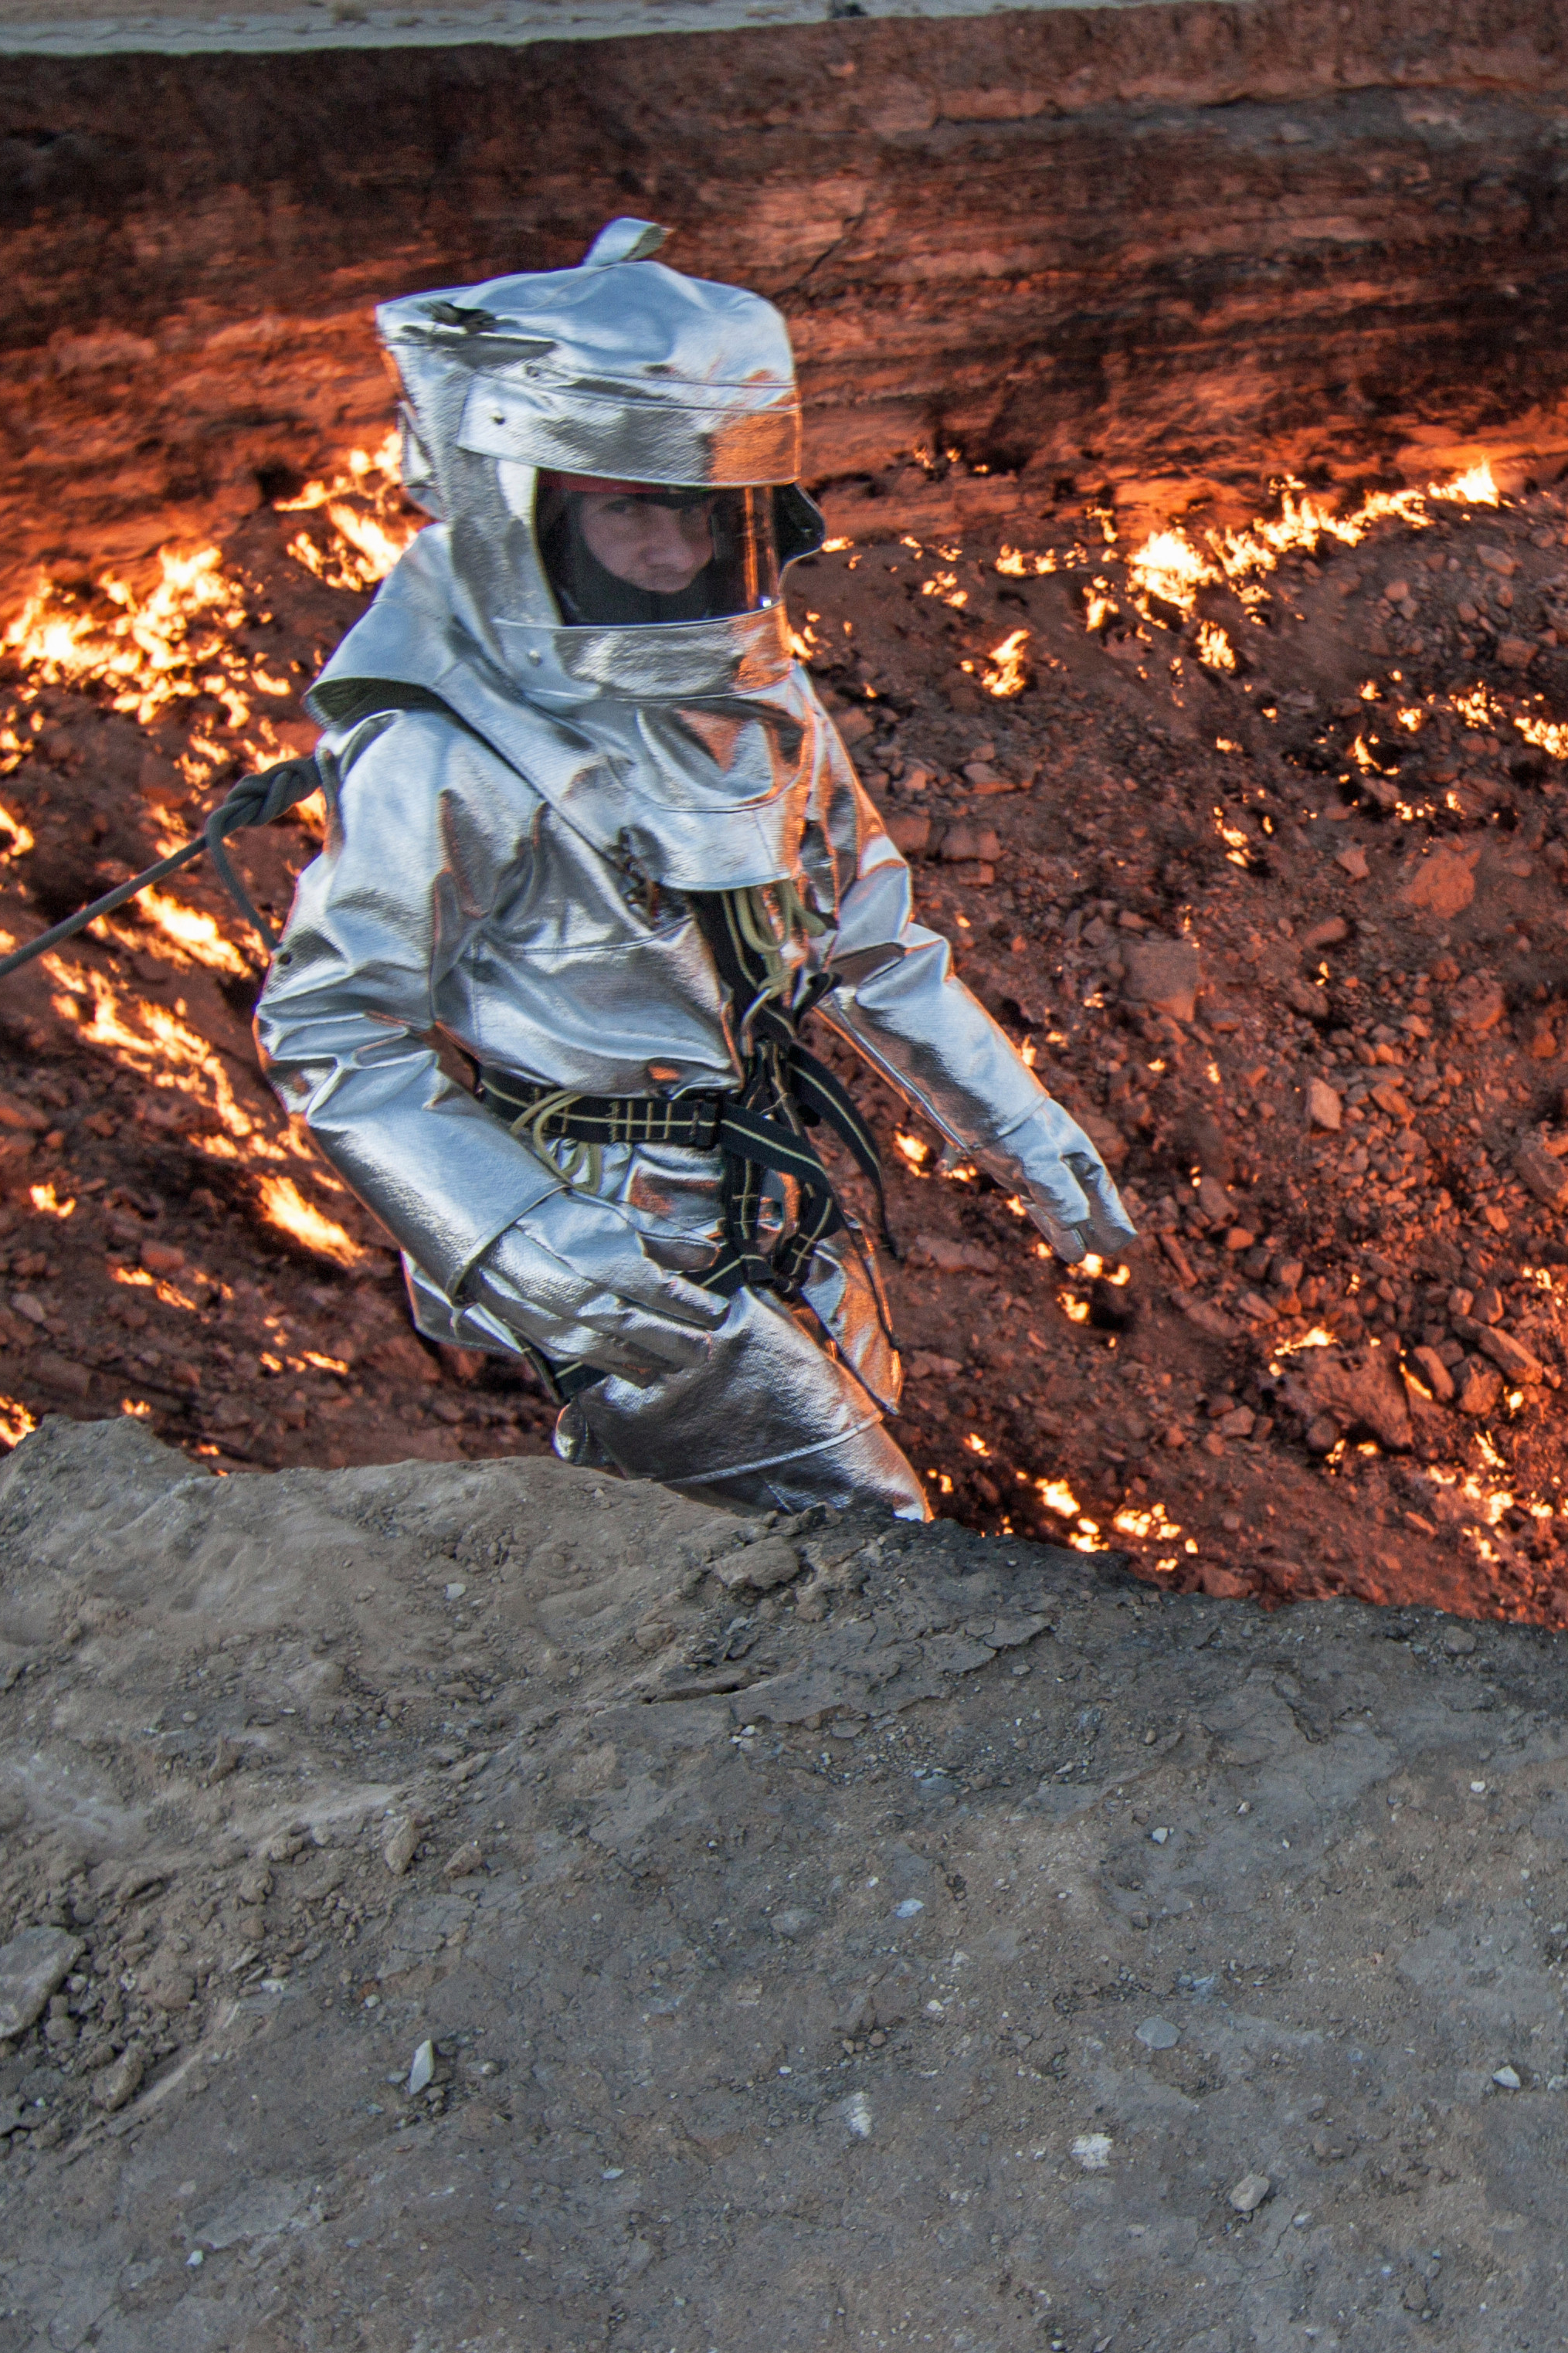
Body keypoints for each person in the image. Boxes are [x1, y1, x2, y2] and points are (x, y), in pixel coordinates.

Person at [256, 218, 1133, 1517]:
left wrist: (1020, 1127)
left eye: (700, 510)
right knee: (863, 1535)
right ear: (529, 502)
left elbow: (866, 942)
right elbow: (334, 1030)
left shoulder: (762, 704)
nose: (671, 556)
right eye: (626, 510)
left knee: (772, 1544)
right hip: (618, 1247)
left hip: (778, 1205)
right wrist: (516, 1238)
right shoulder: (443, 756)